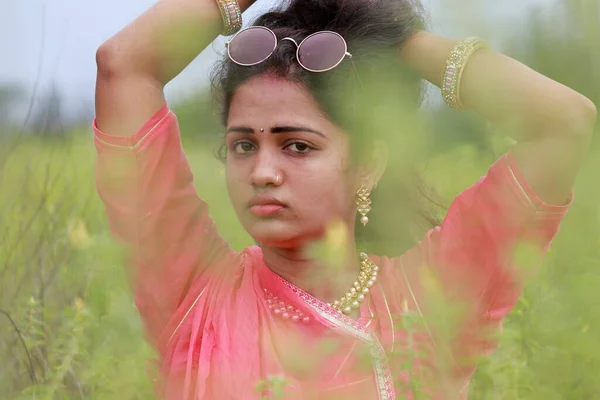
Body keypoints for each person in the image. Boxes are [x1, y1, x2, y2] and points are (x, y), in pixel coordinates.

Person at [93, 0, 596, 398]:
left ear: (368, 163)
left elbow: (563, 122)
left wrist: (386, 34)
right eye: (244, 145)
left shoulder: (432, 299)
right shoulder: (189, 291)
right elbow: (124, 65)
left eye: (297, 146)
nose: (262, 173)